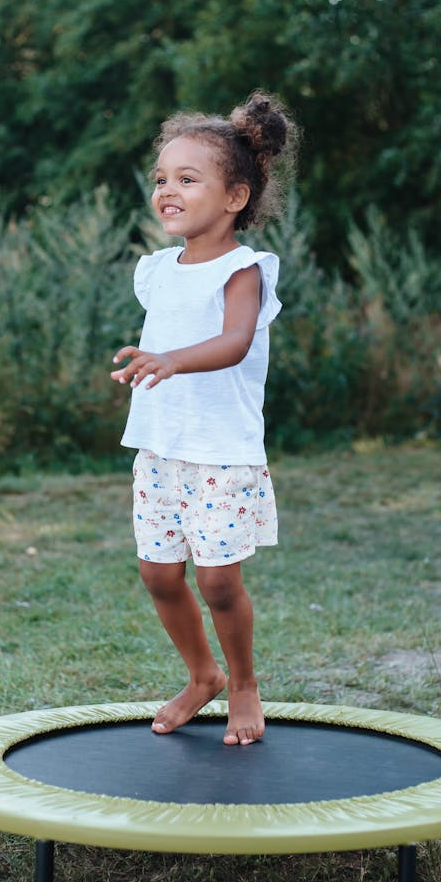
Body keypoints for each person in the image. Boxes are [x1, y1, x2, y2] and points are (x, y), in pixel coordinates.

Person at [110, 91, 298, 746]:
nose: (168, 189)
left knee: (219, 581)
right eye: (161, 178)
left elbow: (235, 341)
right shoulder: (156, 270)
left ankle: (243, 683)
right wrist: (149, 361)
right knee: (158, 574)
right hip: (159, 451)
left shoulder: (245, 270)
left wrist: (168, 360)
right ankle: (202, 675)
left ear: (235, 197)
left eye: (188, 179)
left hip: (220, 453)